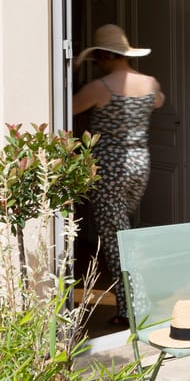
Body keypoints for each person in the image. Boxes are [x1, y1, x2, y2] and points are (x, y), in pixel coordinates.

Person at [73, 24, 165, 327]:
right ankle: (138, 298)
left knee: (115, 240)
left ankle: (132, 309)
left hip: (109, 169)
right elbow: (159, 100)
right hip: (140, 164)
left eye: (97, 58)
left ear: (103, 55)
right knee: (124, 232)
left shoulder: (100, 88)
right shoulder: (150, 82)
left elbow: (64, 109)